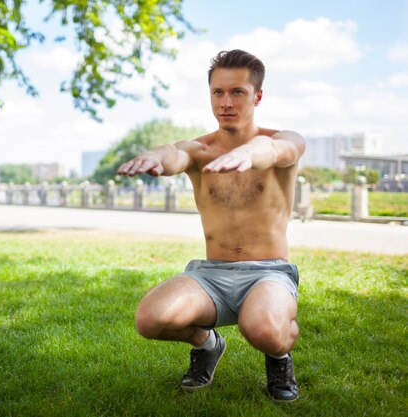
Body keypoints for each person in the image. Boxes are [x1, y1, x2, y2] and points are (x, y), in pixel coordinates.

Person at [117, 49, 306, 402]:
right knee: (150, 319)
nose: (226, 102)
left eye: (238, 92)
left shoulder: (283, 139)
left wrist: (250, 154)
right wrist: (156, 157)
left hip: (268, 273)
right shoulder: (201, 149)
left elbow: (278, 150)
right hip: (211, 275)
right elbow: (175, 153)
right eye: (218, 92)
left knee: (262, 329)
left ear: (258, 96)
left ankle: (279, 355)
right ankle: (208, 344)